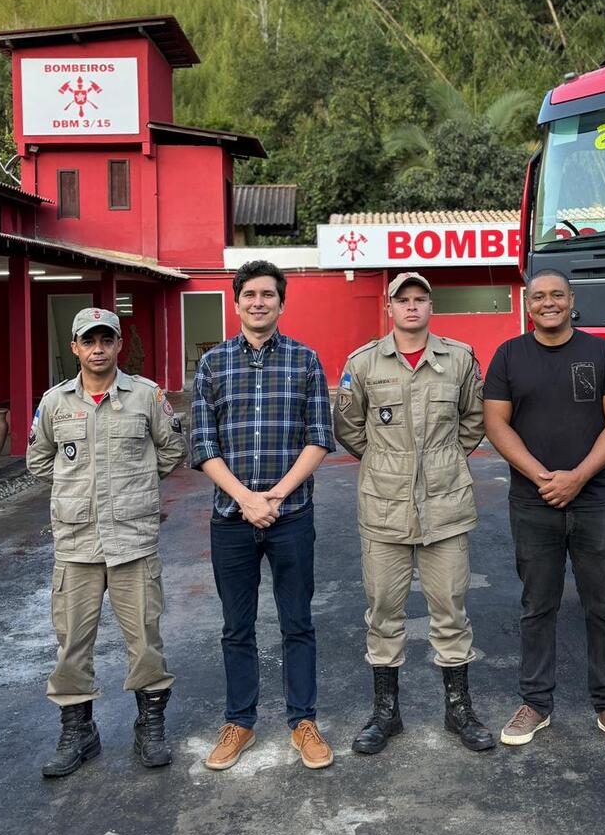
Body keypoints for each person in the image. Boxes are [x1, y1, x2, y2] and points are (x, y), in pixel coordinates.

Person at [483, 268, 605, 752]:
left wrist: (577, 476)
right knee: (537, 606)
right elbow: (496, 423)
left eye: (557, 295)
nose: (547, 303)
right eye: (538, 297)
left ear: (572, 300)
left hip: (595, 500)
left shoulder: (602, 354)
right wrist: (541, 476)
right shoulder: (509, 356)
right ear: (527, 304)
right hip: (533, 502)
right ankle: (535, 703)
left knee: (603, 604)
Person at [334, 271, 494, 754]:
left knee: (450, 610)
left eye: (420, 299)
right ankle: (386, 714)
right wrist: (390, 465)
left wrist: (443, 460)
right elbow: (348, 426)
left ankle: (458, 711)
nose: (411, 307)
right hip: (384, 509)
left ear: (430, 307)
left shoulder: (459, 359)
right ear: (389, 307)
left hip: (445, 506)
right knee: (384, 611)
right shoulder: (363, 363)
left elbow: (474, 419)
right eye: (402, 299)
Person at [27, 307, 186, 778]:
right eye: (88, 341)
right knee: (72, 643)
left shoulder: (145, 397)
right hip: (75, 544)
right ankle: (79, 732)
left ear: (118, 345)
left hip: (133, 541)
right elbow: (39, 461)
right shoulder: (56, 403)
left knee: (145, 642)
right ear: (75, 348)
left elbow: (172, 450)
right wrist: (78, 489)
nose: (98, 349)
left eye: (106, 340)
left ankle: (149, 725)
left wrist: (131, 487)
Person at [191, 259, 336, 771]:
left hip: (292, 515)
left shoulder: (305, 360)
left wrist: (273, 496)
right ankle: (241, 722)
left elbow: (320, 437)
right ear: (236, 302)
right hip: (231, 520)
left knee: (298, 622)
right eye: (249, 294)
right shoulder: (213, 365)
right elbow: (203, 444)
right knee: (237, 626)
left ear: (281, 302)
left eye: (268, 295)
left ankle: (303, 721)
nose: (258, 302)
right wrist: (246, 499)